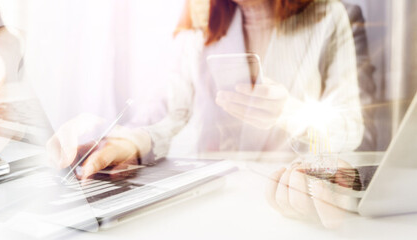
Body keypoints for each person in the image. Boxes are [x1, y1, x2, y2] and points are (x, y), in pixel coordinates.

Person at [50, 0, 363, 189]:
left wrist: (289, 113)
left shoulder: (328, 16)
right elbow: (169, 113)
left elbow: (350, 128)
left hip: (291, 191)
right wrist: (130, 142)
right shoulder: (202, 18)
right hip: (214, 188)